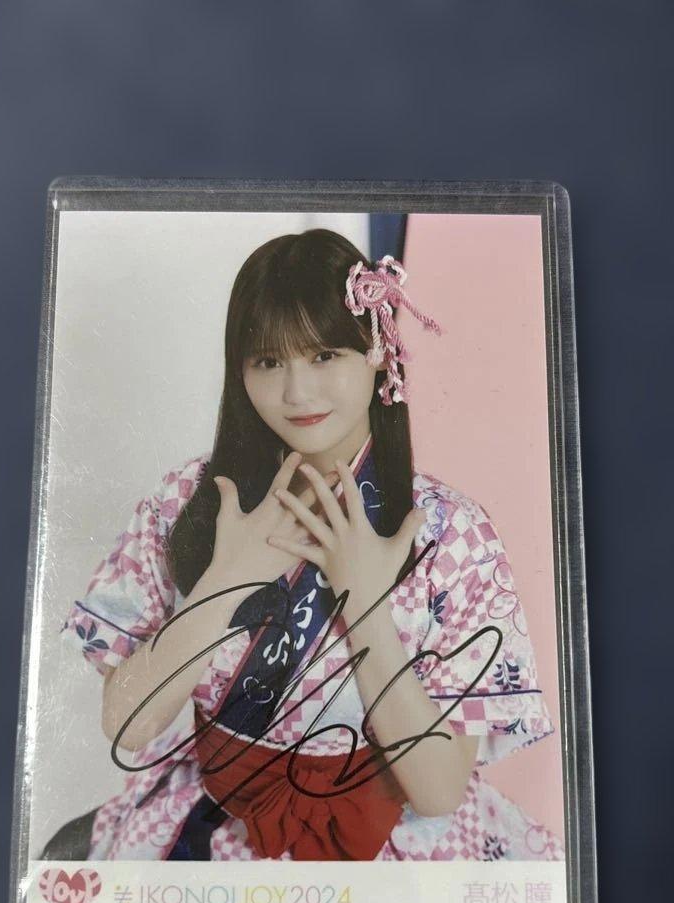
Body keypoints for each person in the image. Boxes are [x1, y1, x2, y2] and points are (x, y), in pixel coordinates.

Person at [46, 228, 562, 862]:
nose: (297, 393)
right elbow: (128, 727)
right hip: (225, 826)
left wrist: (365, 604)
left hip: (399, 842)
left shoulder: (452, 531)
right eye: (268, 362)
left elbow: (436, 791)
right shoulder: (188, 501)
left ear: (379, 349)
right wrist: (225, 580)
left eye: (324, 356)